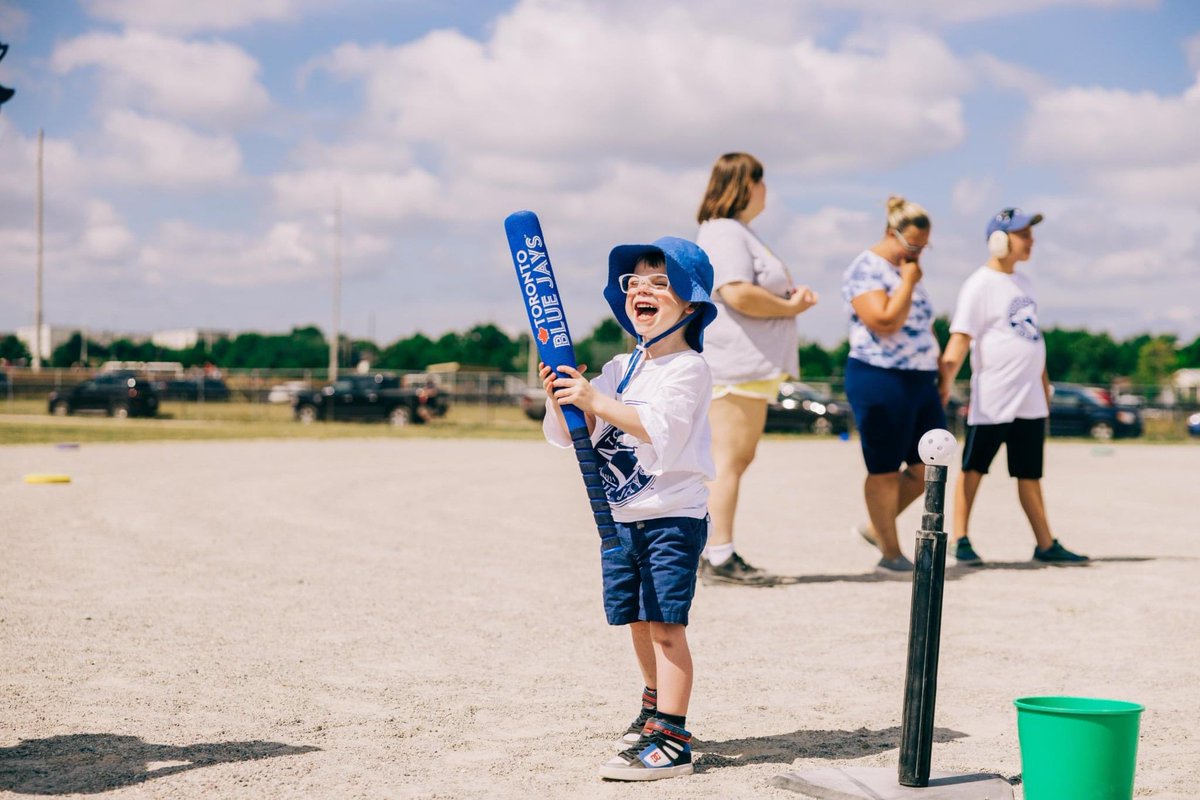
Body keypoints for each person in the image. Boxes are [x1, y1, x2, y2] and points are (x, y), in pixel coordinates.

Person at [540, 236, 718, 781]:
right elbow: (580, 434)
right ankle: (653, 705)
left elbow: (657, 428)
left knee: (666, 624)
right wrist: (566, 399)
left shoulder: (688, 369)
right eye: (632, 282)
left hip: (672, 516)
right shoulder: (621, 367)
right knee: (638, 621)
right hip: (623, 518)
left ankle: (672, 739)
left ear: (689, 304)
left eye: (658, 281)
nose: (640, 288)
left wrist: (596, 401)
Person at [694, 152, 818, 585]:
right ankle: (719, 555)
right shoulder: (725, 231)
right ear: (746, 185)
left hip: (747, 364)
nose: (767, 191)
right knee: (728, 461)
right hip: (735, 363)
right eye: (762, 181)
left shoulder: (735, 231)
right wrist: (789, 306)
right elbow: (736, 291)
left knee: (734, 459)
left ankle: (716, 551)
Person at [938, 208, 1089, 565]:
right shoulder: (979, 284)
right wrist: (944, 382)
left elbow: (1033, 340)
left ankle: (1045, 543)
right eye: (1024, 234)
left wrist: (1045, 386)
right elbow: (960, 339)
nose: (1031, 240)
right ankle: (959, 539)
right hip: (994, 396)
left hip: (1029, 399)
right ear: (999, 240)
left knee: (1030, 473)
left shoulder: (1024, 284)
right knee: (974, 468)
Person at [841, 196, 945, 574]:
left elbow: (924, 324)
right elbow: (884, 320)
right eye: (913, 245)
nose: (917, 253)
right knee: (884, 468)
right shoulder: (866, 269)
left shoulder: (909, 270)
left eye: (923, 246)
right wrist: (906, 283)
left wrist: (941, 372)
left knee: (929, 466)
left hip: (921, 379)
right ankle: (890, 552)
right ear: (891, 232)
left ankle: (876, 527)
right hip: (879, 375)